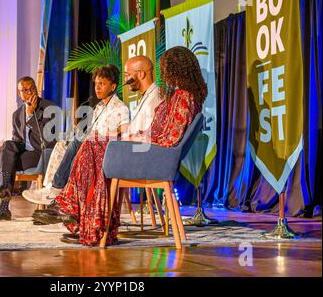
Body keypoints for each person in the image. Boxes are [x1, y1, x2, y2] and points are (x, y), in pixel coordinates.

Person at [33, 46, 207, 246]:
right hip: (152, 152)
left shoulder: (183, 97)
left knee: (91, 146)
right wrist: (135, 136)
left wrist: (137, 138)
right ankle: (82, 218)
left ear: (176, 69)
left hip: (155, 158)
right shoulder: (183, 95)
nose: (164, 75)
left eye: (166, 69)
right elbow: (161, 133)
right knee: (92, 144)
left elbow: (168, 138)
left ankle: (77, 213)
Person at [23, 56, 161, 206]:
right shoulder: (99, 107)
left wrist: (105, 135)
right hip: (101, 147)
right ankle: (52, 191)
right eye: (96, 84)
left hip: (114, 152)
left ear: (113, 86)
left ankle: (57, 192)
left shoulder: (123, 107)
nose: (97, 88)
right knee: (64, 144)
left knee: (80, 142)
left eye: (102, 84)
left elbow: (129, 134)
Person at [0, 77, 57, 221]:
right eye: (25, 90)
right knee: (8, 146)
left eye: (32, 88)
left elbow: (46, 140)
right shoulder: (16, 115)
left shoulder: (50, 108)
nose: (30, 93)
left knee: (10, 163)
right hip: (25, 153)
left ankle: (3, 206)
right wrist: (26, 114)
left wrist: (31, 114)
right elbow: (17, 141)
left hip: (41, 153)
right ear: (19, 93)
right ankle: (4, 190)